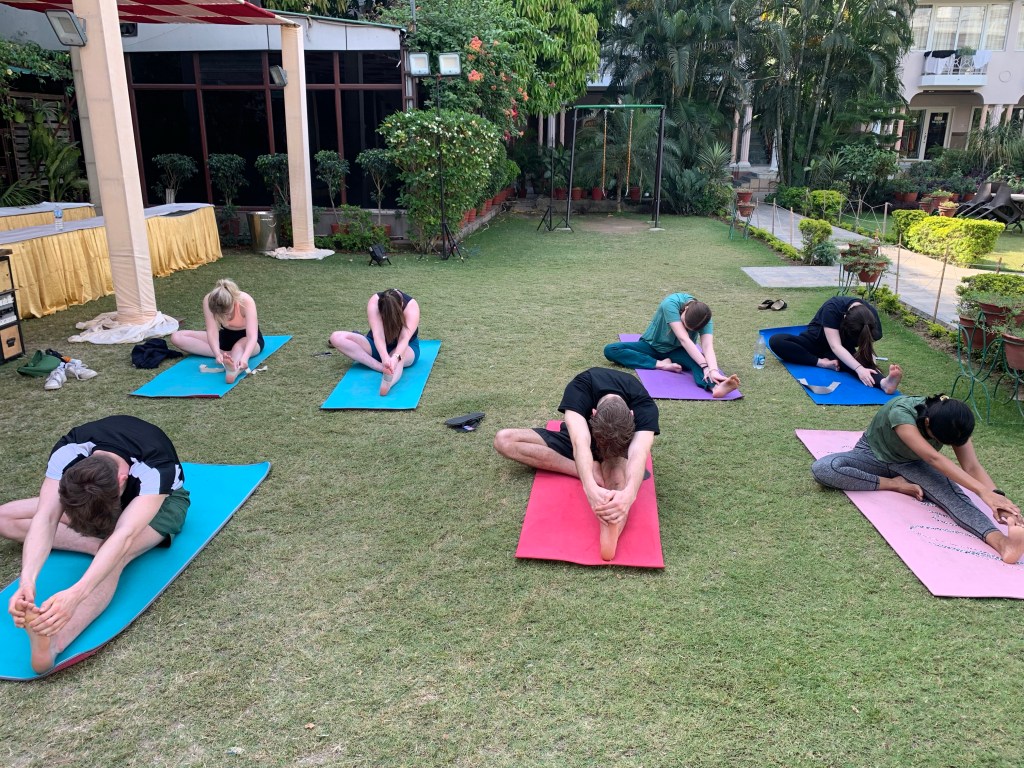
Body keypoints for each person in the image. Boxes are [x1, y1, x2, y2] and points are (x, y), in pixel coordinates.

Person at [0, 416, 189, 673]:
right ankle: (95, 547)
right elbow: (46, 518)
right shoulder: (69, 450)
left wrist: (76, 594)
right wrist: (27, 581)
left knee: (114, 551)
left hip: (157, 505)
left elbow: (124, 535)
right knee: (5, 517)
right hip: (89, 500)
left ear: (123, 480)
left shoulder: (155, 469)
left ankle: (54, 641)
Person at [810, 394, 1024, 564]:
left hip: (912, 464)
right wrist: (895, 485)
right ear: (927, 422)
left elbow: (971, 466)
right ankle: (894, 484)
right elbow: (933, 457)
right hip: (872, 456)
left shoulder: (954, 421)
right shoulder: (901, 413)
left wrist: (998, 500)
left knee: (953, 497)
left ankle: (1003, 544)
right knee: (825, 468)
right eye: (941, 441)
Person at [493, 367, 659, 561]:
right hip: (585, 439)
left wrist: (629, 495)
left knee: (618, 482)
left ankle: (610, 520)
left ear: (632, 415)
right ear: (593, 414)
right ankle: (583, 470)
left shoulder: (645, 406)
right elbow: (580, 444)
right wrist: (589, 486)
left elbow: (639, 453)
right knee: (503, 439)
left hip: (618, 449)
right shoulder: (580, 388)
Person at [603, 292, 740, 398]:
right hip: (652, 346)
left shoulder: (704, 318)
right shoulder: (671, 304)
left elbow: (707, 346)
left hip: (678, 351)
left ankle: (715, 388)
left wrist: (713, 370)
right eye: (685, 324)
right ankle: (662, 364)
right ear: (685, 309)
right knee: (611, 349)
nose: (687, 329)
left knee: (699, 359)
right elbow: (684, 339)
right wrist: (705, 365)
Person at [768, 296, 902, 393]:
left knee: (857, 366)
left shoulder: (871, 317)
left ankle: (885, 383)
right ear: (844, 318)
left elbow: (866, 345)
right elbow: (835, 346)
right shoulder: (833, 307)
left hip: (841, 352)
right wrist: (823, 362)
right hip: (814, 342)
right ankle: (820, 362)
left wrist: (864, 363)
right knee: (777, 341)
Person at [170, 278, 263, 384]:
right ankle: (229, 355)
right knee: (177, 337)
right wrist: (217, 353)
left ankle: (233, 370)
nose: (225, 317)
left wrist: (245, 358)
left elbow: (252, 336)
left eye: (227, 313)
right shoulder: (209, 300)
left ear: (233, 301)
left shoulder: (245, 300)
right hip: (224, 336)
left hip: (247, 339)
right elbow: (212, 331)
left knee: (239, 346)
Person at [329, 289, 420, 396]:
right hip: (375, 345)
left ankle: (388, 382)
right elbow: (378, 335)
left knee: (400, 355)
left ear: (401, 305)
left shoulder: (411, 306)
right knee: (336, 337)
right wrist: (385, 357)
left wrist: (394, 358)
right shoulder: (375, 301)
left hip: (406, 347)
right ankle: (380, 367)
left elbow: (404, 339)